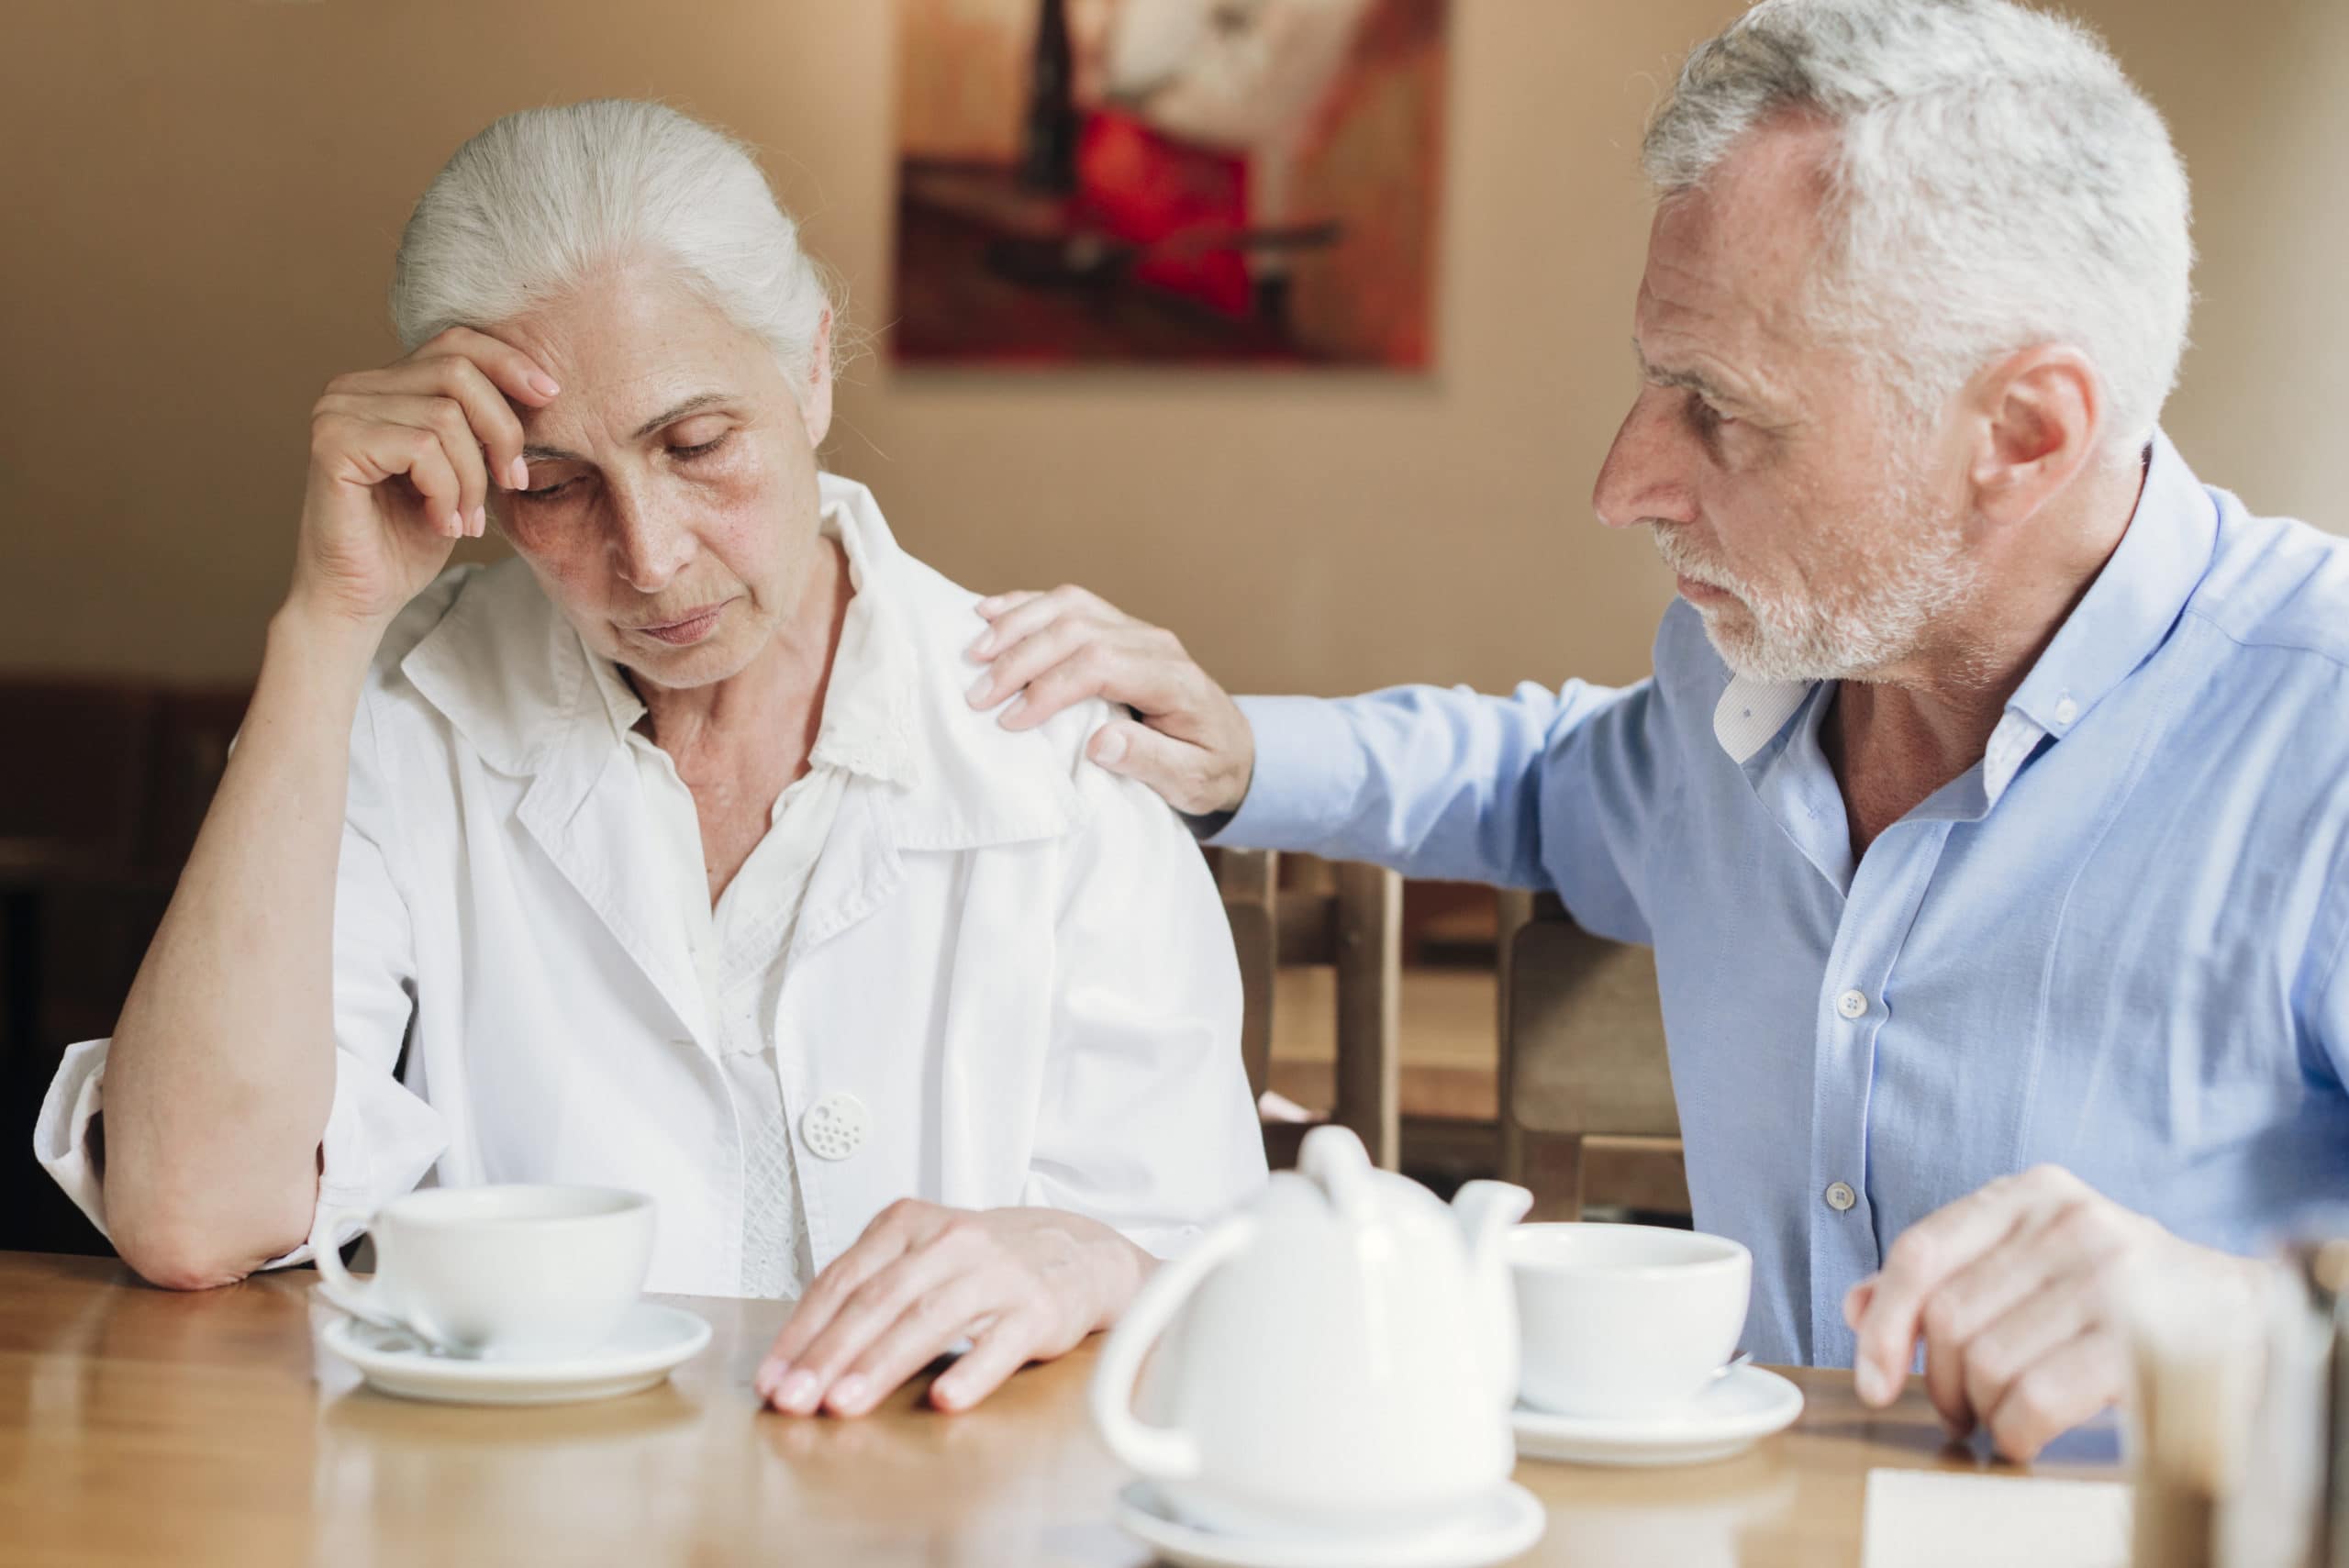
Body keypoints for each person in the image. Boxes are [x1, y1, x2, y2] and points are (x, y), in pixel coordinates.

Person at [966, 0, 2349, 1460]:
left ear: (2022, 434)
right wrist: (1244, 748)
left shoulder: (2322, 729)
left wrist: (2241, 1320)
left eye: (1720, 410)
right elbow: (1549, 780)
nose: (1625, 483)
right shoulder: (1739, 674)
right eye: (1654, 377)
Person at [31, 100, 1265, 1418]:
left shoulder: (1054, 738)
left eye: (697, 445)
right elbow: (191, 1212)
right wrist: (327, 623)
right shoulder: (403, 715)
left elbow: (1226, 1290)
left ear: (811, 370)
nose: (652, 554)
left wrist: (1090, 1255)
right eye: (552, 486)